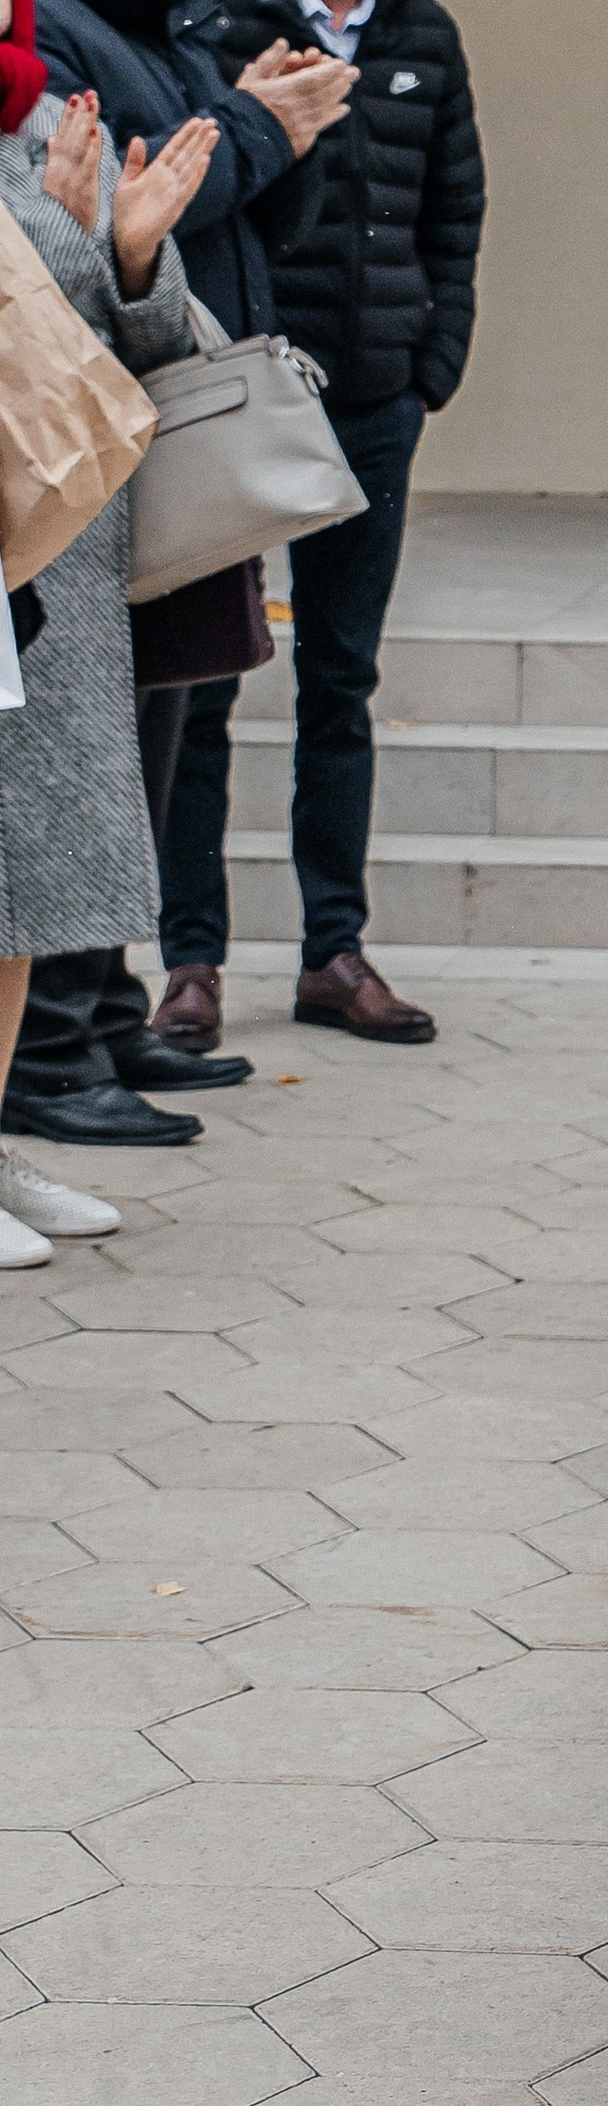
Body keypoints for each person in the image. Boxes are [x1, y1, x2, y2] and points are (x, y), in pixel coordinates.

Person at [8, 0, 350, 1156]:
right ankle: (56, 1044)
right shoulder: (60, 37)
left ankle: (105, 1007)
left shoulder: (168, 17)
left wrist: (266, 139)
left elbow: (211, 200)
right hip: (96, 430)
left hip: (173, 404)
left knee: (164, 715)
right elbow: (148, 198)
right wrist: (264, 132)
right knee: (98, 740)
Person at [150, 0, 485, 1059]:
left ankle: (333, 954)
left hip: (373, 401)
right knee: (207, 679)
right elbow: (188, 185)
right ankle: (190, 964)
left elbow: (458, 206)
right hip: (239, 396)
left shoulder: (423, 31)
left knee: (339, 680)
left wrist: (428, 362)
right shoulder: (214, 18)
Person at [0, 83, 217, 1265]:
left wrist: (129, 250)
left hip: (56, 563)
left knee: (26, 884)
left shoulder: (40, 134)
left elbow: (141, 349)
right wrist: (57, 231)